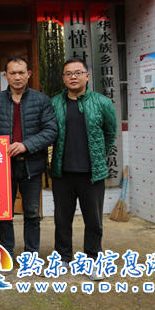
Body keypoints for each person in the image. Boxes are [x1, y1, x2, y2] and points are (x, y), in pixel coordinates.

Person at [0, 56, 57, 258]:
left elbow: (51, 131)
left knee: (32, 213)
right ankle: (6, 253)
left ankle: (30, 256)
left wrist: (26, 145)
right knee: (4, 213)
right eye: (13, 73)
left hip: (31, 165)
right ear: (5, 76)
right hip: (3, 168)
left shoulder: (41, 100)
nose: (17, 77)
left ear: (29, 74)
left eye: (21, 72)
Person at [50, 57, 117, 281]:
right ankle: (62, 258)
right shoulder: (54, 103)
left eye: (78, 72)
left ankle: (93, 260)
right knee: (62, 220)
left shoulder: (102, 102)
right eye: (68, 73)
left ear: (87, 76)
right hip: (62, 172)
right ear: (63, 78)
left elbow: (110, 133)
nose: (73, 77)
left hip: (91, 174)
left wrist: (98, 156)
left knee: (94, 221)